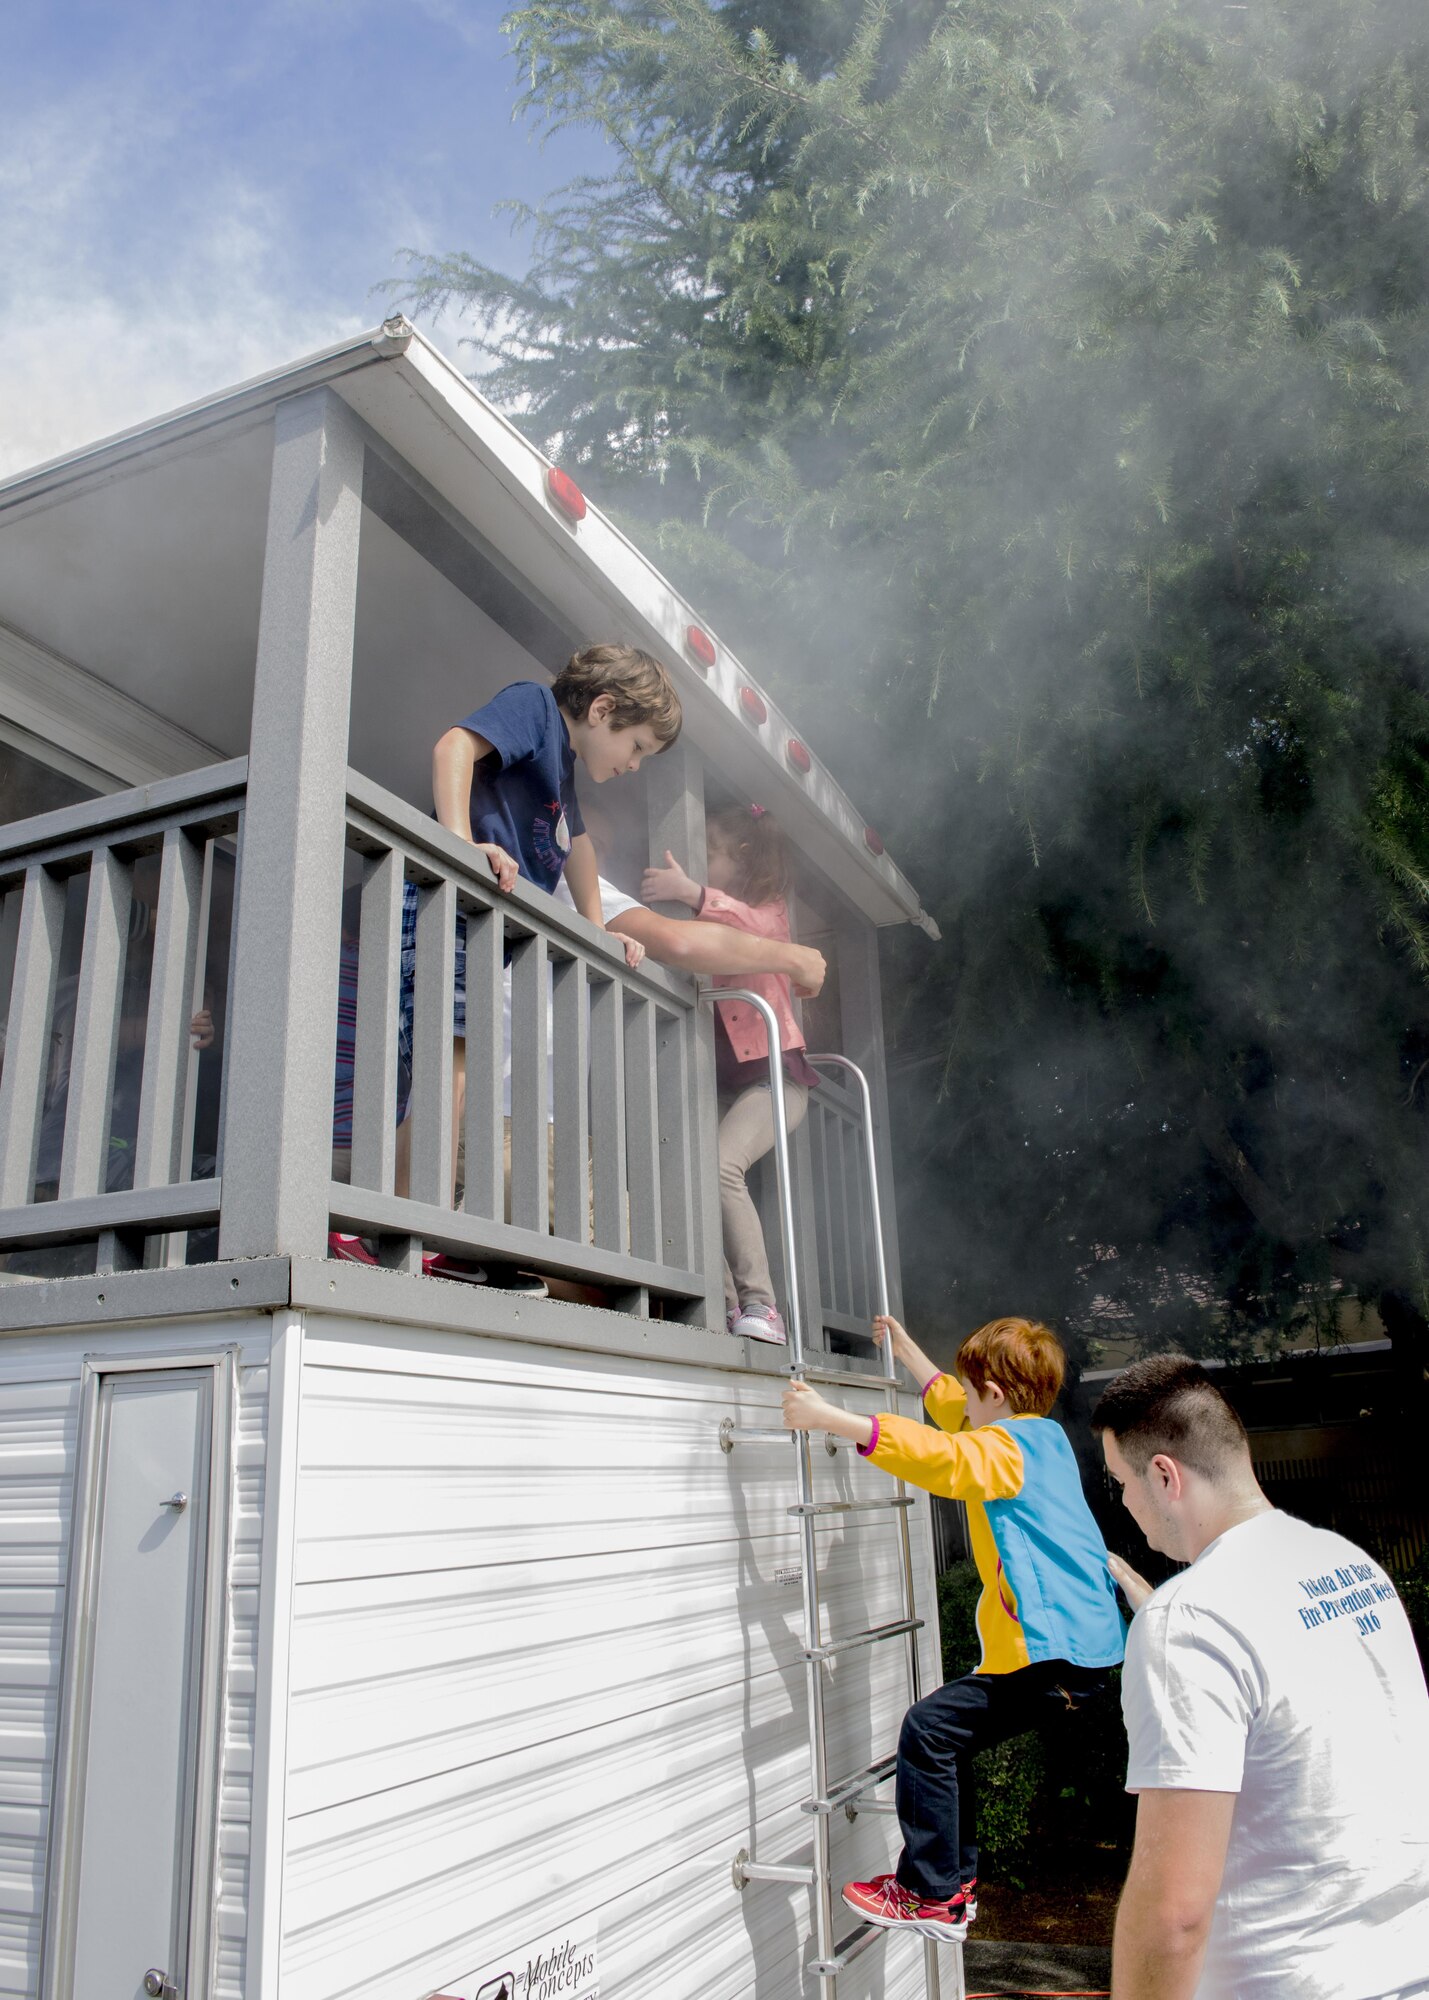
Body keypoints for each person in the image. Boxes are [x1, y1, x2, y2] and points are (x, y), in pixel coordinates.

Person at [329, 643, 681, 1277]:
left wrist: (598, 936)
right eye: (637, 748)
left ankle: (401, 1222)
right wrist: (461, 848)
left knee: (460, 1071)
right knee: (452, 1066)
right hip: (447, 910)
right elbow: (454, 748)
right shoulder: (534, 709)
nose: (634, 767)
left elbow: (580, 853)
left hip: (482, 933)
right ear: (602, 709)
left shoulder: (560, 772)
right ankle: (395, 1226)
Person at [781, 1312, 1126, 1943]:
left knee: (929, 1729)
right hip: (1086, 1652)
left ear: (993, 1395)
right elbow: (953, 1413)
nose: (962, 1401)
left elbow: (940, 1456)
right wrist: (909, 1349)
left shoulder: (1001, 1450)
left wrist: (832, 1418)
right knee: (949, 1736)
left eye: (972, 1391)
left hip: (1053, 1654)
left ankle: (930, 1893)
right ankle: (952, 1887)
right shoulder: (1040, 1437)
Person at [1093, 1354, 1429, 2000]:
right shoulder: (1344, 1564)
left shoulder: (1189, 1620)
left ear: (1163, 1476)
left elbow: (1174, 1913)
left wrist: (1168, 1621)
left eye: (1120, 1483)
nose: (1125, 1501)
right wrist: (1162, 1610)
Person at [641, 805, 817, 1343]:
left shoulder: (768, 910)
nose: (703, 860)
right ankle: (717, 1301)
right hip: (725, 1082)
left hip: (776, 1078)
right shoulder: (710, 920)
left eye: (710, 851)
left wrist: (692, 892)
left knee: (719, 1167)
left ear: (739, 857)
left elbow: (760, 932)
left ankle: (761, 1306)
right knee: (690, 1168)